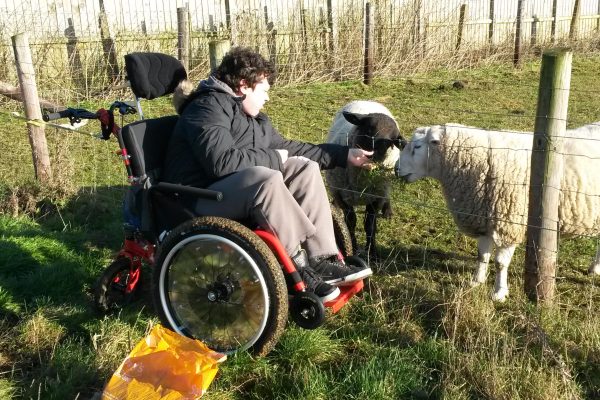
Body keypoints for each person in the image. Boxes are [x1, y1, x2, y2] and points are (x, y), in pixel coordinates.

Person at [162, 46, 374, 302]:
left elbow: (290, 149)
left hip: (226, 190)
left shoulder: (252, 119)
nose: (267, 98)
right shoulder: (206, 108)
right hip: (197, 197)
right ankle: (297, 267)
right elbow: (221, 163)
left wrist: (344, 155)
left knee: (304, 167)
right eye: (264, 90)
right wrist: (274, 159)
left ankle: (322, 259)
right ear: (243, 85)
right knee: (267, 178)